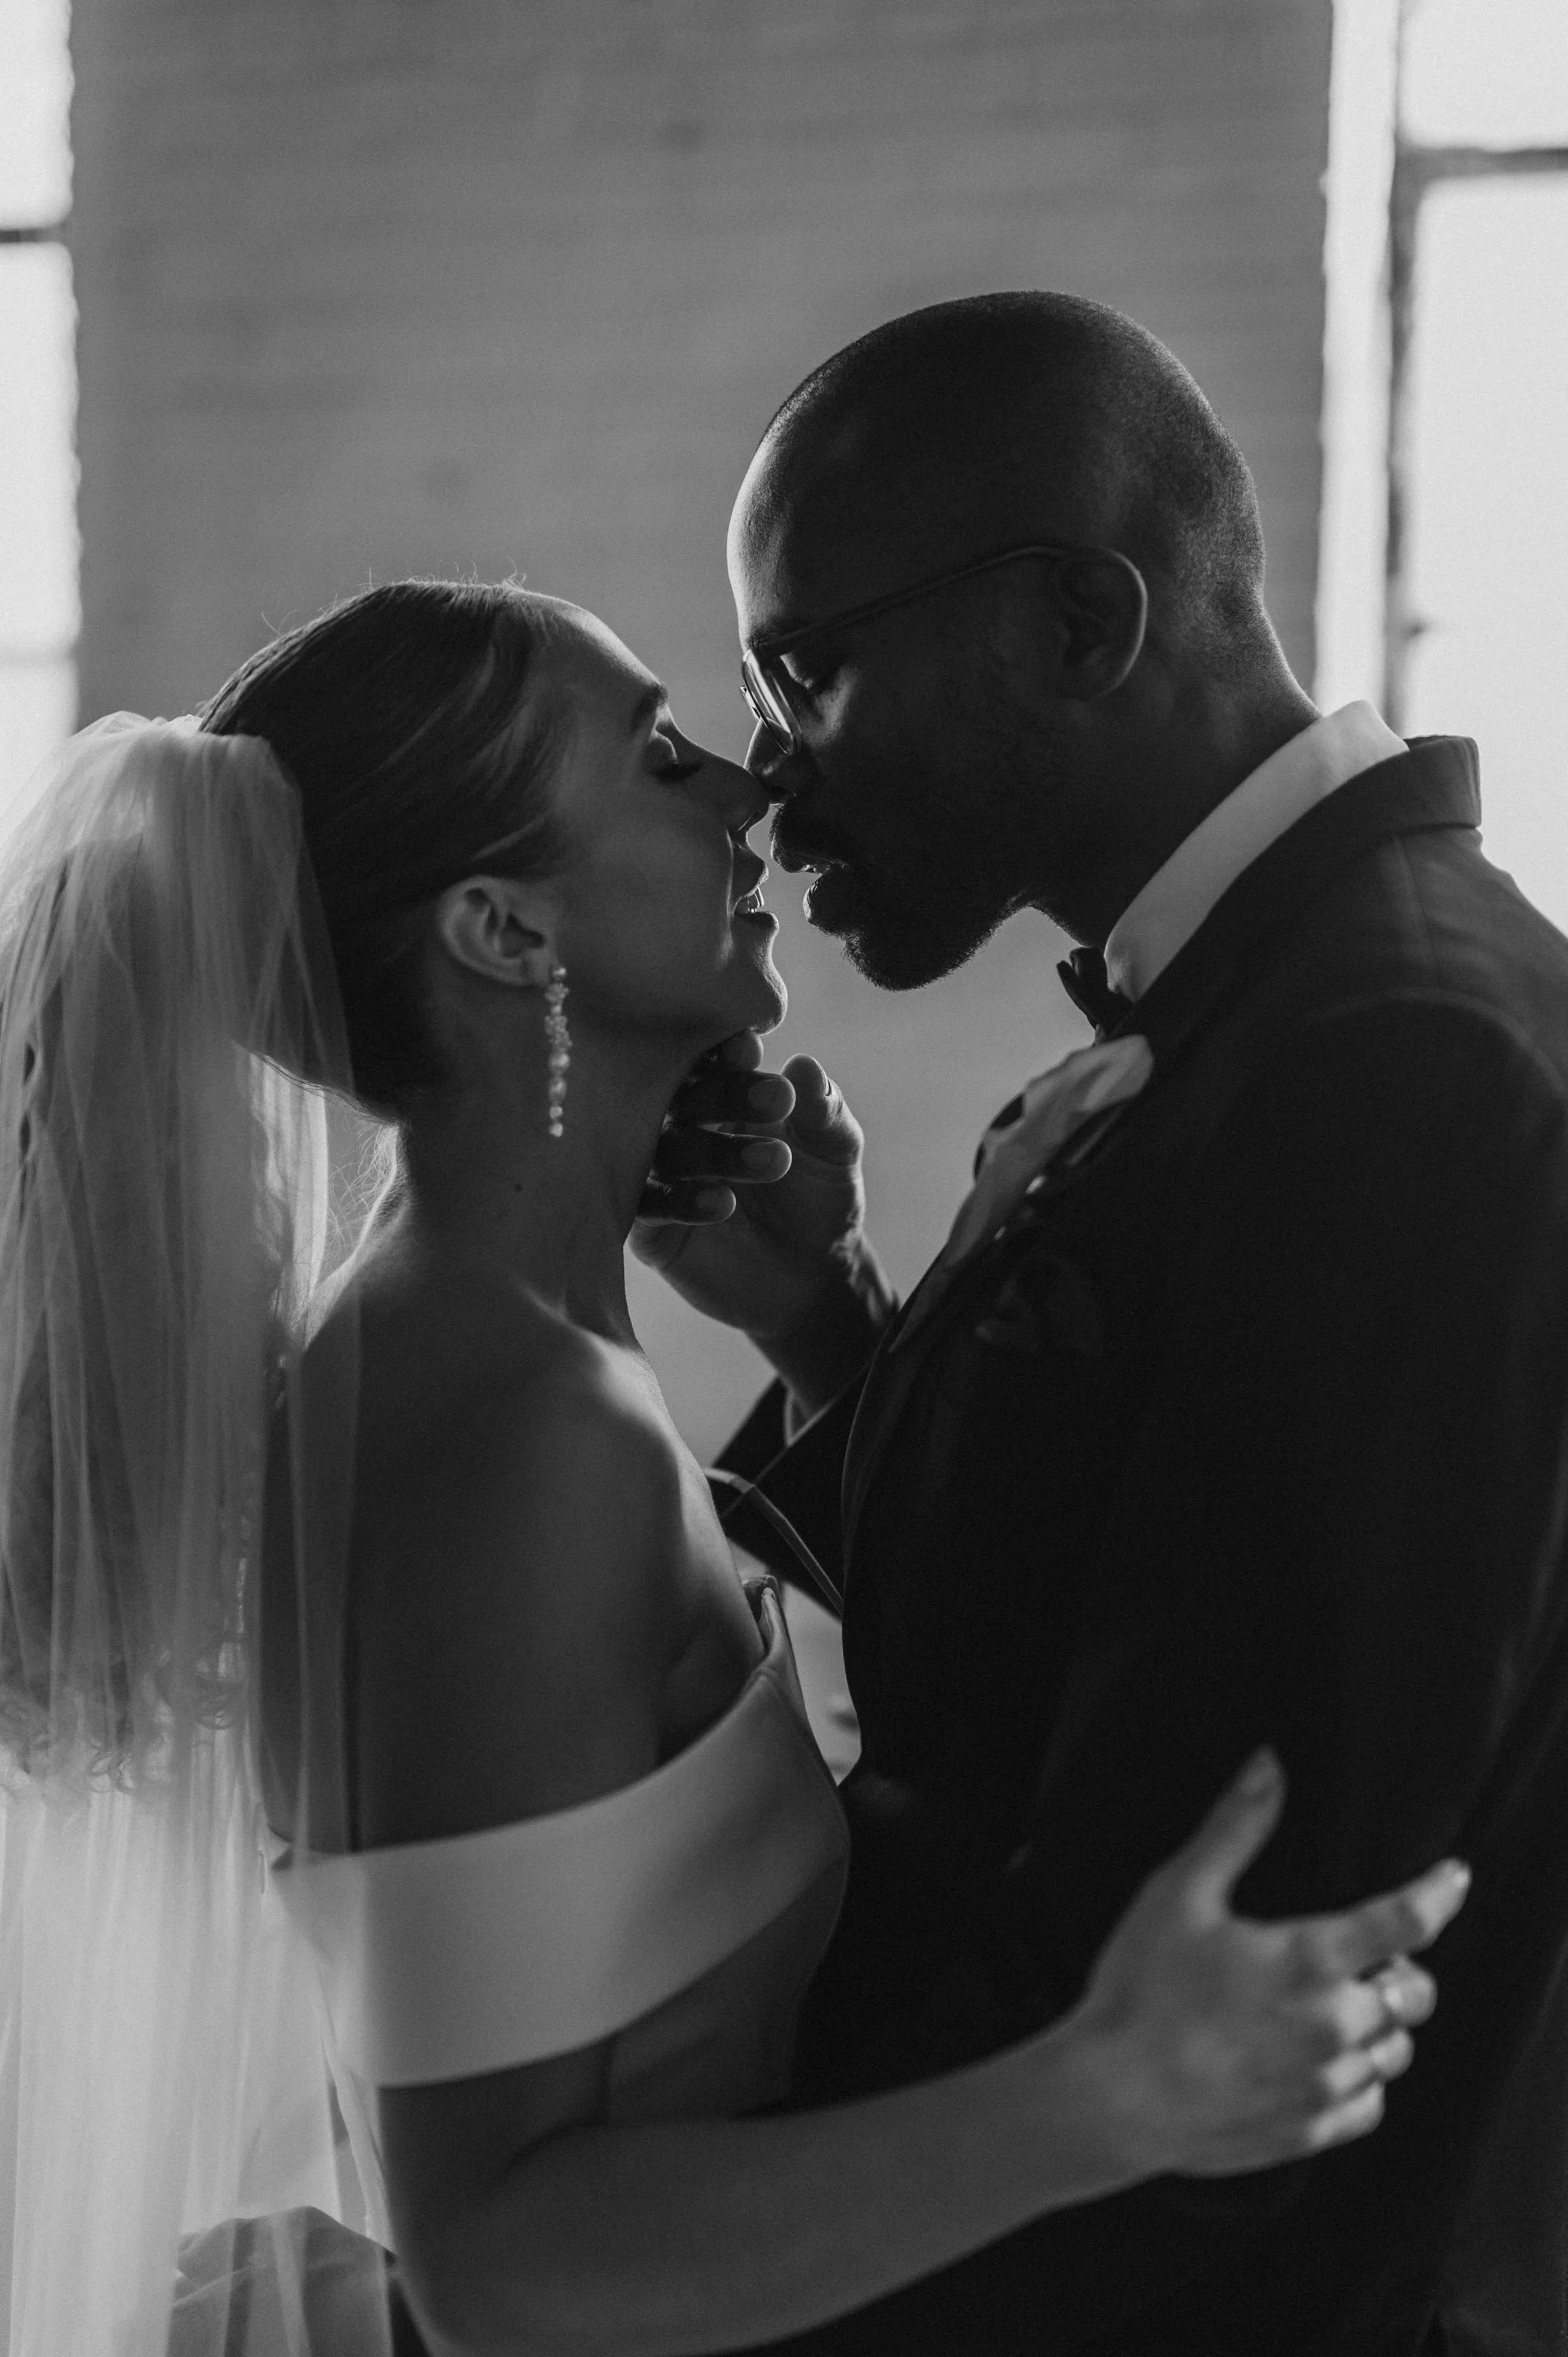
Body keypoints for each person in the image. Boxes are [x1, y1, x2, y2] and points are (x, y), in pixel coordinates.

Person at [0, 582, 1465, 2357]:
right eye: (659, 758)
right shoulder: (509, 1428)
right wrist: (1105, 2096)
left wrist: (820, 1324)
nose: (744, 795)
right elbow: (504, 2272)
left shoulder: (500, 1358)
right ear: (500, 927)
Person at [632, 290, 1568, 2354]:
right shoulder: (1276, 1004)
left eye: (810, 670)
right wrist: (826, 1322)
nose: (774, 783)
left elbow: (1219, 1945)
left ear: (1075, 620)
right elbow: (1093, 1624)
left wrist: (712, 2277)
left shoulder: (1388, 1058)